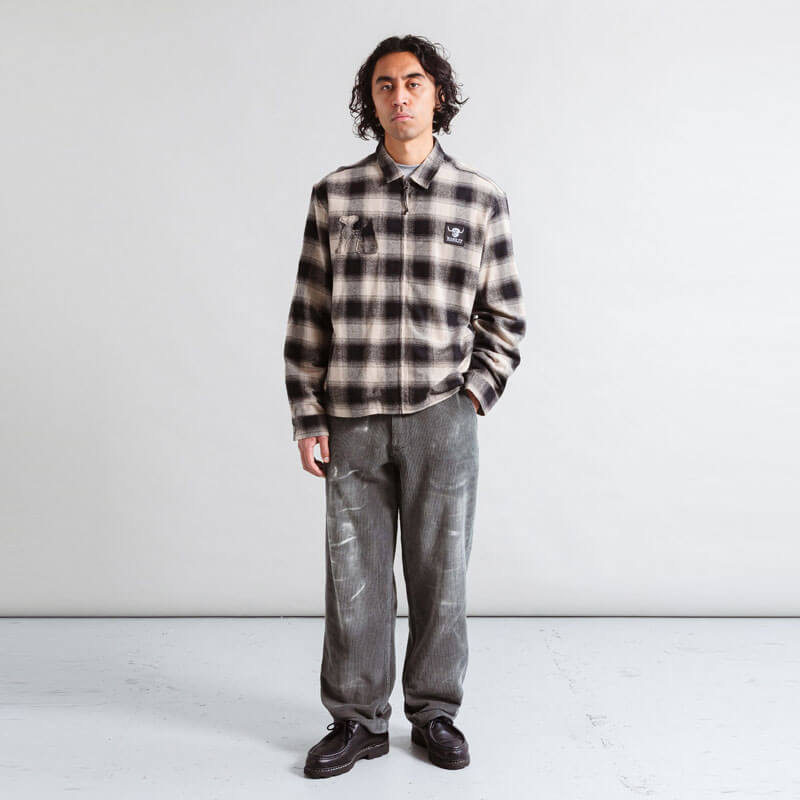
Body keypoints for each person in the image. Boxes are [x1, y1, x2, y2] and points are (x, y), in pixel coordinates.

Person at [283, 34, 527, 779]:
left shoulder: (478, 197)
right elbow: (309, 315)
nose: (400, 96)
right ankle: (357, 721)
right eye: (385, 85)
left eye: (413, 82)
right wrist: (308, 416)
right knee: (352, 578)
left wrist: (472, 396)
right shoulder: (335, 195)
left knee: (440, 575)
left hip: (441, 417)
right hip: (352, 419)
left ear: (436, 94)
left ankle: (435, 713)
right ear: (371, 101)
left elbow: (504, 317)